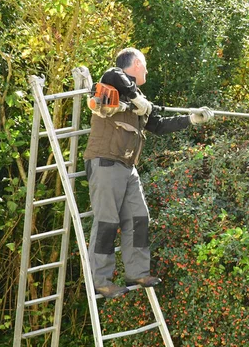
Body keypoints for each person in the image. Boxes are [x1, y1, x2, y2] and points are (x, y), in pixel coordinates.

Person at [83, 47, 213, 298]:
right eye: (144, 64)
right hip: (106, 163)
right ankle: (101, 280)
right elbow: (112, 74)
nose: (147, 70)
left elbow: (159, 125)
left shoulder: (139, 100)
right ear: (135, 64)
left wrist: (191, 119)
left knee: (139, 217)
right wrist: (134, 97)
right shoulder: (113, 83)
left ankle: (137, 271)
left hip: (127, 167)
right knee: (107, 223)